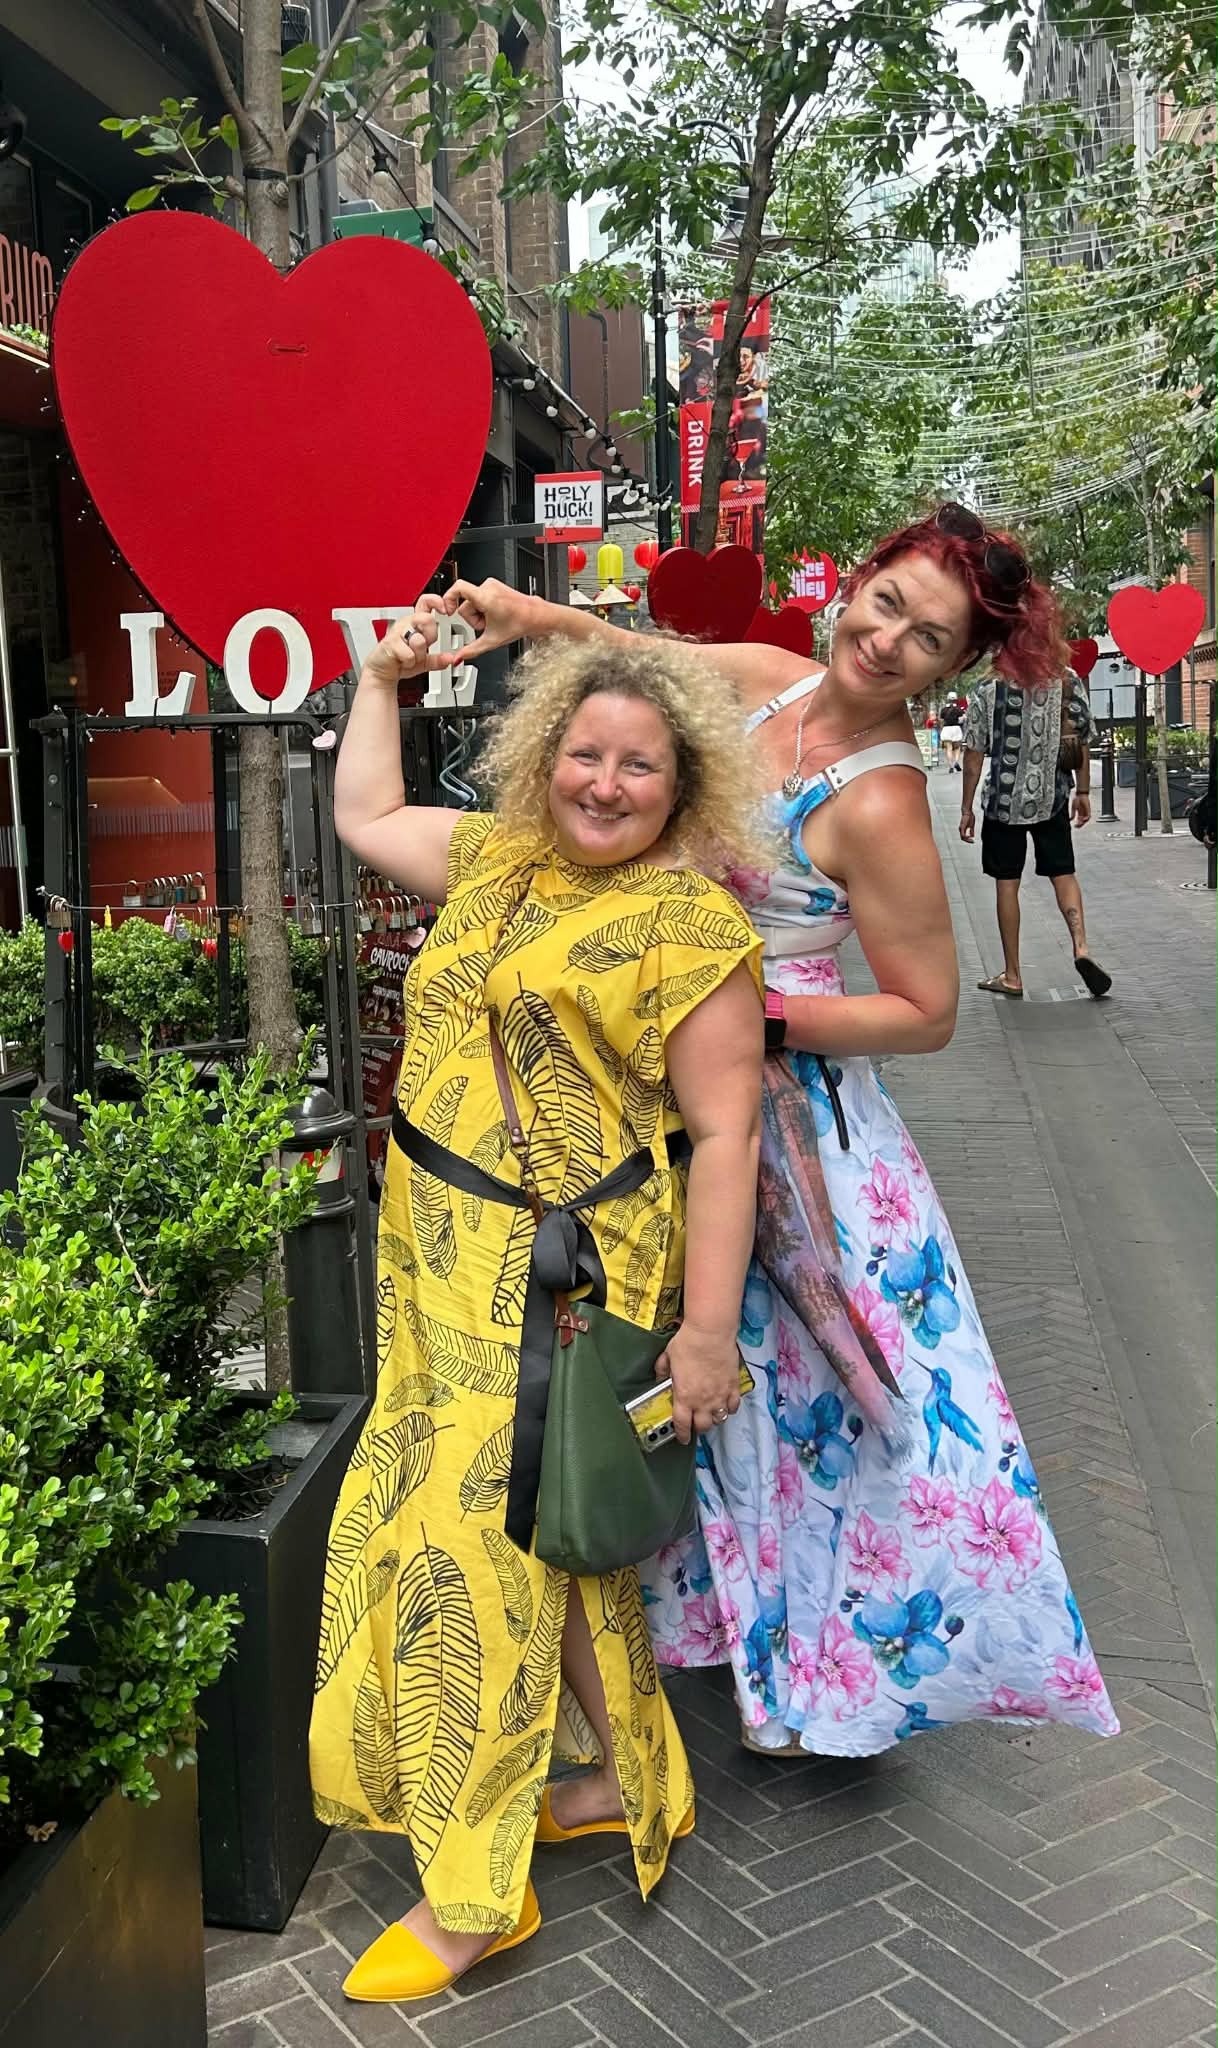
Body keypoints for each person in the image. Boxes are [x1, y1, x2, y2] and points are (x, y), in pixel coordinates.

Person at [433, 502, 1118, 1761]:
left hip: (796, 1135)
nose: (889, 638)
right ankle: (716, 1633)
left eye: (929, 636)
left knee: (805, 1402)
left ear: (954, 668)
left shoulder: (883, 803)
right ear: (857, 583)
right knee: (686, 1374)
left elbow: (927, 1012)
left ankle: (818, 1677)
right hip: (666, 1086)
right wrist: (516, 613)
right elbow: (628, 652)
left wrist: (754, 1013)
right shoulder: (767, 679)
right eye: (888, 601)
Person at [309, 622, 766, 2003]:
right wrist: (377, 680)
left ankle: (474, 1890)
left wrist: (702, 1334)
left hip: (550, 1280)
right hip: (434, 1259)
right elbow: (365, 813)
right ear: (543, 755)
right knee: (553, 1535)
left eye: (639, 765)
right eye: (585, 753)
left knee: (472, 1562)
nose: (605, 783)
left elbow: (727, 1138)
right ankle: (636, 1780)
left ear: (683, 785)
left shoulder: (693, 929)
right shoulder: (499, 858)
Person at [961, 664, 1112, 999]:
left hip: (1003, 802)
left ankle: (1013, 975)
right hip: (1051, 797)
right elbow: (1082, 737)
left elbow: (973, 752)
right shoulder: (1065, 678)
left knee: (1007, 884)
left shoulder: (988, 686)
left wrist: (966, 808)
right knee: (1063, 873)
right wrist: (1083, 791)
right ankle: (1081, 947)